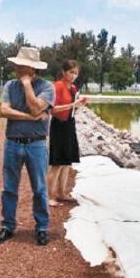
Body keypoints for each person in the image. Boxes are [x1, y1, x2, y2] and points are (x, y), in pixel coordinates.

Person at [0, 46, 55, 246]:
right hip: (13, 142)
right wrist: (30, 117)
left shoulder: (47, 87)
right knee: (9, 188)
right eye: (17, 64)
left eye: (23, 65)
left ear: (33, 68)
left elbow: (37, 107)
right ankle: (8, 226)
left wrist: (27, 85)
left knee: (39, 189)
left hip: (36, 145)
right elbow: (4, 110)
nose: (18, 68)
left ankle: (42, 227)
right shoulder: (10, 85)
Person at [47, 59, 87, 206]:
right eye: (71, 72)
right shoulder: (57, 86)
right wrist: (72, 105)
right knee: (57, 162)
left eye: (76, 73)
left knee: (66, 162)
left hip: (70, 123)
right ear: (64, 72)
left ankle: (62, 192)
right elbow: (52, 109)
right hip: (59, 124)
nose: (73, 75)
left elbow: (72, 109)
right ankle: (50, 196)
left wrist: (79, 105)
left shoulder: (73, 88)